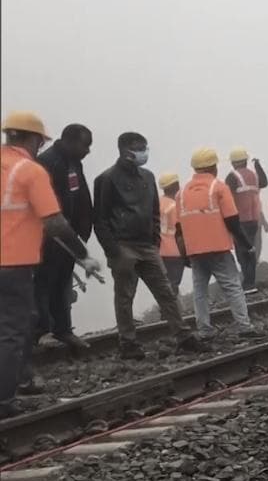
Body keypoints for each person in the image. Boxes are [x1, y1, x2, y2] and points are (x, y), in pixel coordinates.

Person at [1, 112, 102, 419]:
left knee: (19, 323)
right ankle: (5, 402)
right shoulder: (29, 170)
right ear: (34, 139)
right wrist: (83, 255)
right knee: (13, 331)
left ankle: (22, 379)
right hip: (12, 265)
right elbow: (55, 222)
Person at [96, 133, 208, 359]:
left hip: (147, 245)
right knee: (125, 296)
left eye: (144, 147)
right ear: (126, 150)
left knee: (165, 291)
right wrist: (113, 250)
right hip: (123, 245)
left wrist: (154, 240)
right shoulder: (106, 179)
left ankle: (184, 337)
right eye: (139, 148)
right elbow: (100, 219)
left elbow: (154, 211)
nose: (144, 152)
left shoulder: (147, 176)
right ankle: (128, 343)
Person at [177, 147, 257, 341]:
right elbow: (232, 221)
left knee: (200, 291)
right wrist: (247, 244)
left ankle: (204, 330)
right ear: (213, 167)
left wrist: (184, 253)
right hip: (218, 248)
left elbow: (179, 229)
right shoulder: (219, 187)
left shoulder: (182, 193)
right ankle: (245, 327)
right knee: (233, 287)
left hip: (195, 251)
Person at [33, 123, 94, 356]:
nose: (88, 150)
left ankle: (63, 329)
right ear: (70, 141)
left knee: (62, 283)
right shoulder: (48, 163)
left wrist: (83, 230)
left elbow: (81, 196)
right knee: (44, 283)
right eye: (85, 144)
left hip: (69, 236)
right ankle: (42, 332)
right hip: (50, 237)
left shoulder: (73, 163)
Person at [225, 147, 268, 294]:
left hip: (239, 220)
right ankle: (250, 282)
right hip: (253, 219)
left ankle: (248, 284)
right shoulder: (254, 176)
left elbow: (226, 198)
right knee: (251, 250)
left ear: (233, 163)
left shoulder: (232, 177)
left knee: (242, 252)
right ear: (245, 160)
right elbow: (264, 182)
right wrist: (258, 166)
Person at [158, 172, 185, 291]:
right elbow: (181, 228)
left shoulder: (158, 202)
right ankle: (171, 308)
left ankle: (171, 307)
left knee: (166, 281)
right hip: (174, 249)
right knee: (173, 283)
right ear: (177, 186)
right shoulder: (175, 206)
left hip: (159, 249)